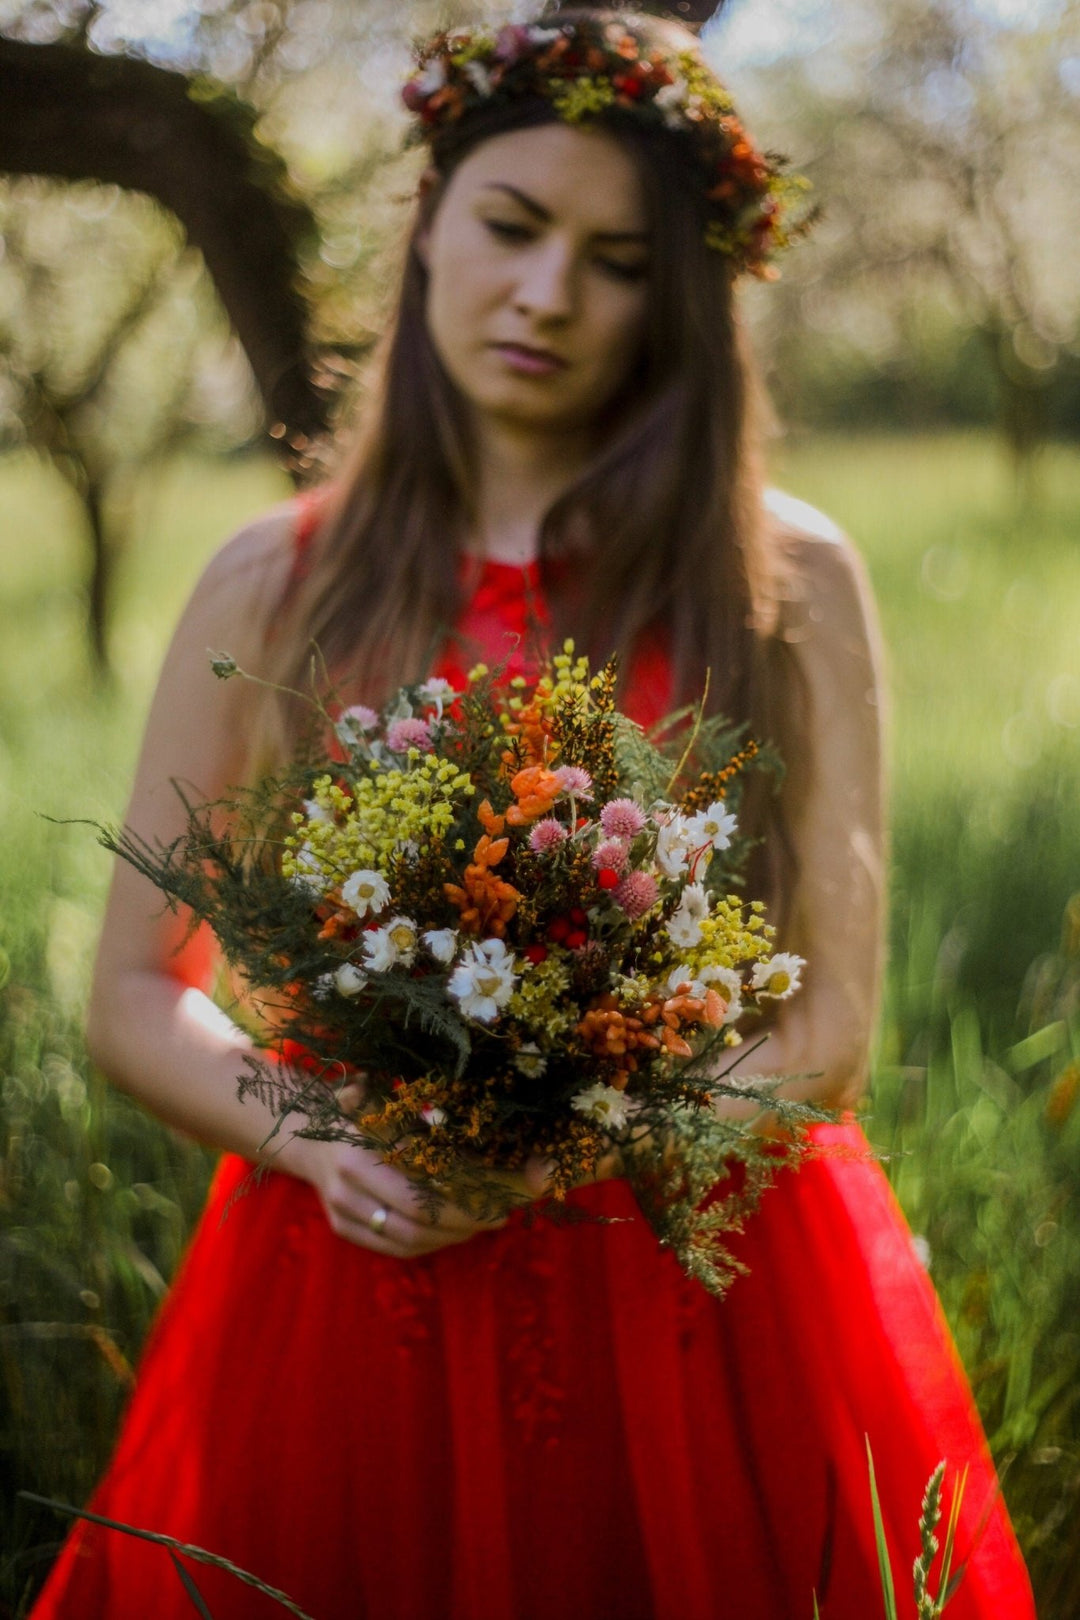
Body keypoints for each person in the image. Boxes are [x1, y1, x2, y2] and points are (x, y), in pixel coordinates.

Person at [30, 11, 1036, 1618]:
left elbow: (832, 1029)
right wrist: (329, 1140)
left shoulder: (786, 583)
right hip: (350, 1266)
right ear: (427, 224)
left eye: (619, 258)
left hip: (700, 1283)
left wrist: (568, 1148)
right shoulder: (276, 581)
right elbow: (139, 993)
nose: (550, 293)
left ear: (683, 303)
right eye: (511, 226)